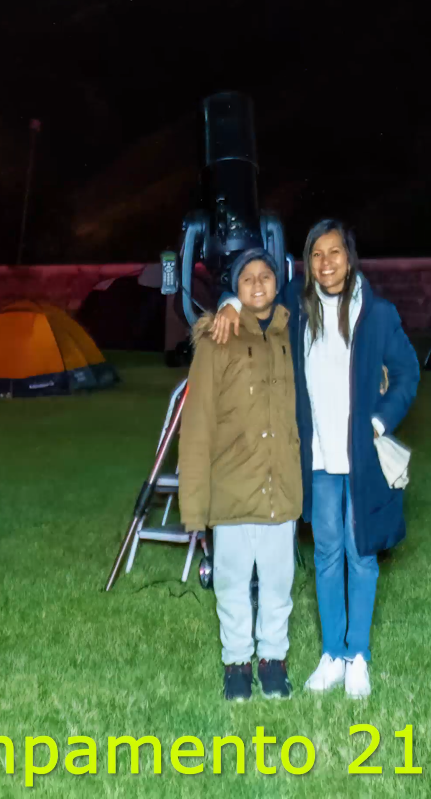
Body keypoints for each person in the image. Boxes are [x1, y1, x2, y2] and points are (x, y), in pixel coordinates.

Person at [213, 219, 419, 699]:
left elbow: (408, 372)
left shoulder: (379, 313)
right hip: (318, 459)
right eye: (317, 255)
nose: (326, 264)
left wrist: (380, 421)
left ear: (350, 257)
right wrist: (227, 302)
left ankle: (358, 656)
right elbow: (253, 296)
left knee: (360, 553)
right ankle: (331, 655)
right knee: (326, 555)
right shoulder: (296, 309)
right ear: (307, 262)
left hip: (362, 456)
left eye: (335, 253)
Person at [177, 247, 301, 701]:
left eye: (265, 275)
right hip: (230, 490)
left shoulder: (293, 334)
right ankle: (236, 664)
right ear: (235, 287)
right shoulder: (218, 340)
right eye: (246, 278)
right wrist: (195, 507)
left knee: (277, 583)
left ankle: (272, 659)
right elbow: (197, 425)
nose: (256, 284)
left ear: (277, 281)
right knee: (230, 583)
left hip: (279, 487)